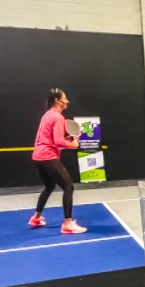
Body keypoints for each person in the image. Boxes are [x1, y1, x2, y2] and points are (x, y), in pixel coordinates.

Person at [28, 88, 87, 233]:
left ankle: (36, 218)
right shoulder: (58, 117)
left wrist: (67, 140)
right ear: (57, 101)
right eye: (65, 98)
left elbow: (50, 139)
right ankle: (67, 224)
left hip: (37, 157)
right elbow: (58, 141)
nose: (67, 101)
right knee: (68, 186)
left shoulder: (47, 115)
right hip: (48, 156)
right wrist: (72, 145)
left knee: (49, 186)